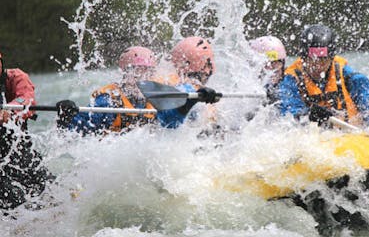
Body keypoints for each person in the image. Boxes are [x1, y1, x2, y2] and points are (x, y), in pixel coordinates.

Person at [57, 46, 219, 134]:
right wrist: (67, 116)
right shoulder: (109, 100)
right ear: (124, 73)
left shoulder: (157, 94)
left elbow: (178, 120)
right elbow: (77, 129)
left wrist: (197, 98)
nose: (141, 78)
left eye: (146, 72)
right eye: (135, 71)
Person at [278, 25, 369, 128]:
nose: (317, 65)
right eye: (312, 60)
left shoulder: (351, 77)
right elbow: (289, 112)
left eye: (323, 59)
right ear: (303, 58)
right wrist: (308, 114)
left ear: (332, 57)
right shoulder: (290, 80)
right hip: (315, 136)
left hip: (352, 134)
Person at [0, 52, 52, 210]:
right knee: (12, 199)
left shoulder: (15, 77)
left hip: (17, 150)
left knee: (48, 190)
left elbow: (27, 98)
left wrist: (10, 110)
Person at [249, 35, 287, 105]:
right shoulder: (246, 87)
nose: (272, 67)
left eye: (277, 61)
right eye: (267, 63)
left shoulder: (289, 84)